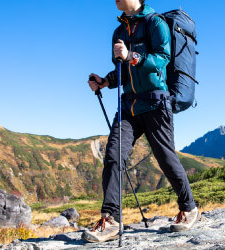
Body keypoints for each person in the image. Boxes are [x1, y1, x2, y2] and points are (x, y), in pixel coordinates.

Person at [82, 0, 199, 243]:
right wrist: (105, 81)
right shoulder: (119, 31)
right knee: (114, 155)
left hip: (156, 103)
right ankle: (110, 219)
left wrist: (132, 55)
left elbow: (162, 59)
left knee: (166, 158)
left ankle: (188, 208)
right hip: (129, 106)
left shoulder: (155, 22)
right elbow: (124, 72)